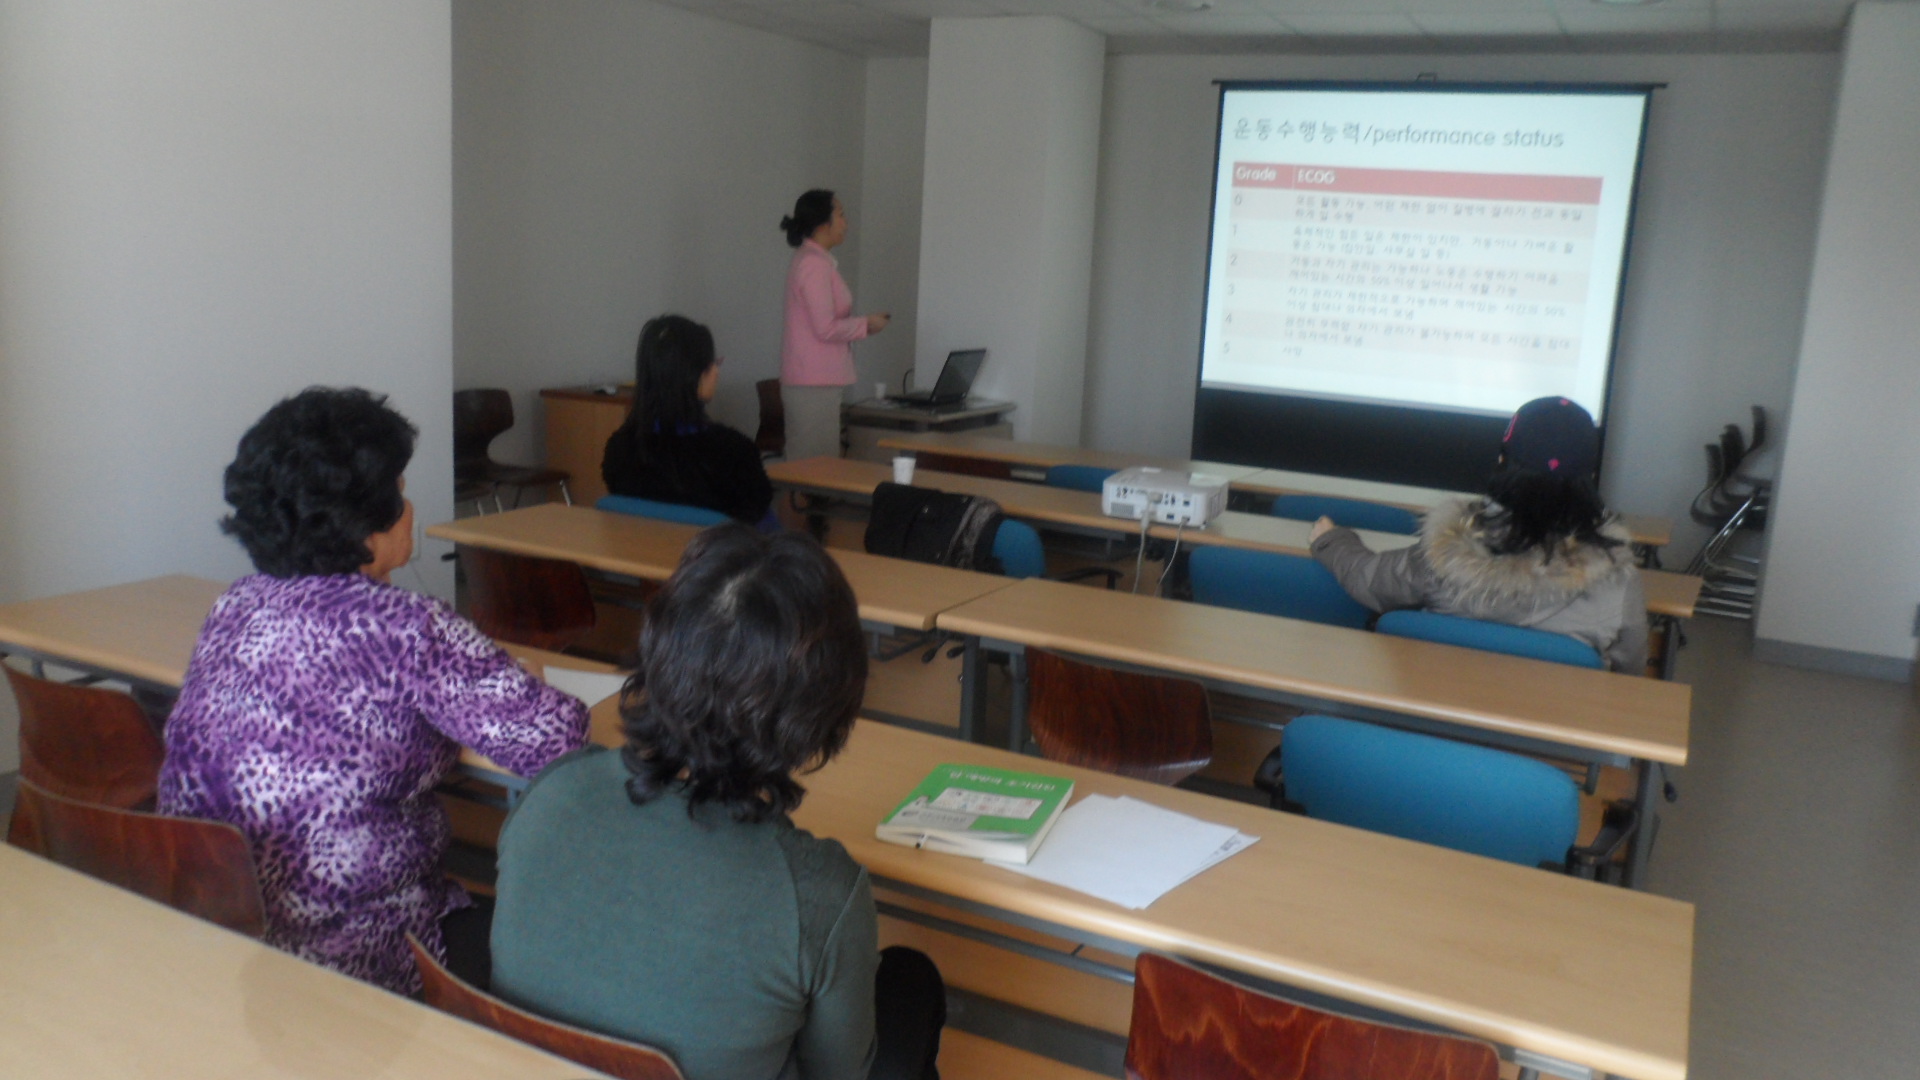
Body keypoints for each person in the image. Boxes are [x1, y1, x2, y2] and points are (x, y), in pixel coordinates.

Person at [157, 387, 589, 994]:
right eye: (401, 493)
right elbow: (555, 740)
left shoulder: (237, 605)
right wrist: (530, 677)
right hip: (357, 956)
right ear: (362, 525)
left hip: (218, 936)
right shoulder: (408, 629)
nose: (409, 509)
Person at [491, 525, 945, 1080]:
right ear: (827, 701)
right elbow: (840, 1073)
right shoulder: (822, 892)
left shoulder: (549, 792)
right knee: (910, 980)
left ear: (660, 649)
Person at [1308, 396, 1648, 672]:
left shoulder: (1448, 551)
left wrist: (1331, 540)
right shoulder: (1617, 580)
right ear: (1590, 477)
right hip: (1552, 731)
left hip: (1435, 717)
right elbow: (1629, 671)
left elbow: (1369, 581)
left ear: (1502, 460)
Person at [602, 313, 775, 525]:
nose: (716, 371)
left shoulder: (620, 449)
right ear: (691, 374)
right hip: (717, 548)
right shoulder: (734, 452)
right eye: (711, 363)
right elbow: (761, 524)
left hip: (640, 546)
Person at [780, 189, 888, 461]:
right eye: (840, 215)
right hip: (812, 382)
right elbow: (825, 327)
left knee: (818, 463)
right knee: (812, 466)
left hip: (817, 380)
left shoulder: (816, 261)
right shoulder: (813, 264)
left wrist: (864, 325)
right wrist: (865, 325)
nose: (846, 223)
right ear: (822, 224)